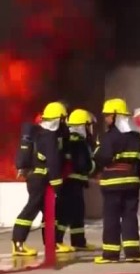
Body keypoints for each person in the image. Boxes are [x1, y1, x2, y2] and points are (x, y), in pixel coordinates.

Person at [92, 98, 140, 264]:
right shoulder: (135, 137)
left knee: (111, 218)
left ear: (116, 116)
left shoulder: (109, 137)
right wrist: (137, 178)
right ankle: (133, 253)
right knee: (130, 216)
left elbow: (102, 157)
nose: (106, 119)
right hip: (131, 183)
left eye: (108, 115)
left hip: (112, 184)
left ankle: (110, 254)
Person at [11, 102, 66, 257]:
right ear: (58, 119)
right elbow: (53, 161)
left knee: (49, 212)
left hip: (36, 178)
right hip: (40, 180)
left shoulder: (39, 133)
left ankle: (51, 243)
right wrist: (57, 183)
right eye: (63, 119)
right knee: (31, 209)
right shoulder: (50, 137)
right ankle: (17, 242)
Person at [55, 109, 97, 252]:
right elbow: (82, 164)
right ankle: (57, 241)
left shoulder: (70, 139)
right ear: (83, 125)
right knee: (66, 212)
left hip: (73, 183)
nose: (90, 129)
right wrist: (94, 165)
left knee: (78, 212)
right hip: (71, 183)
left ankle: (78, 241)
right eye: (88, 125)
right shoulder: (78, 141)